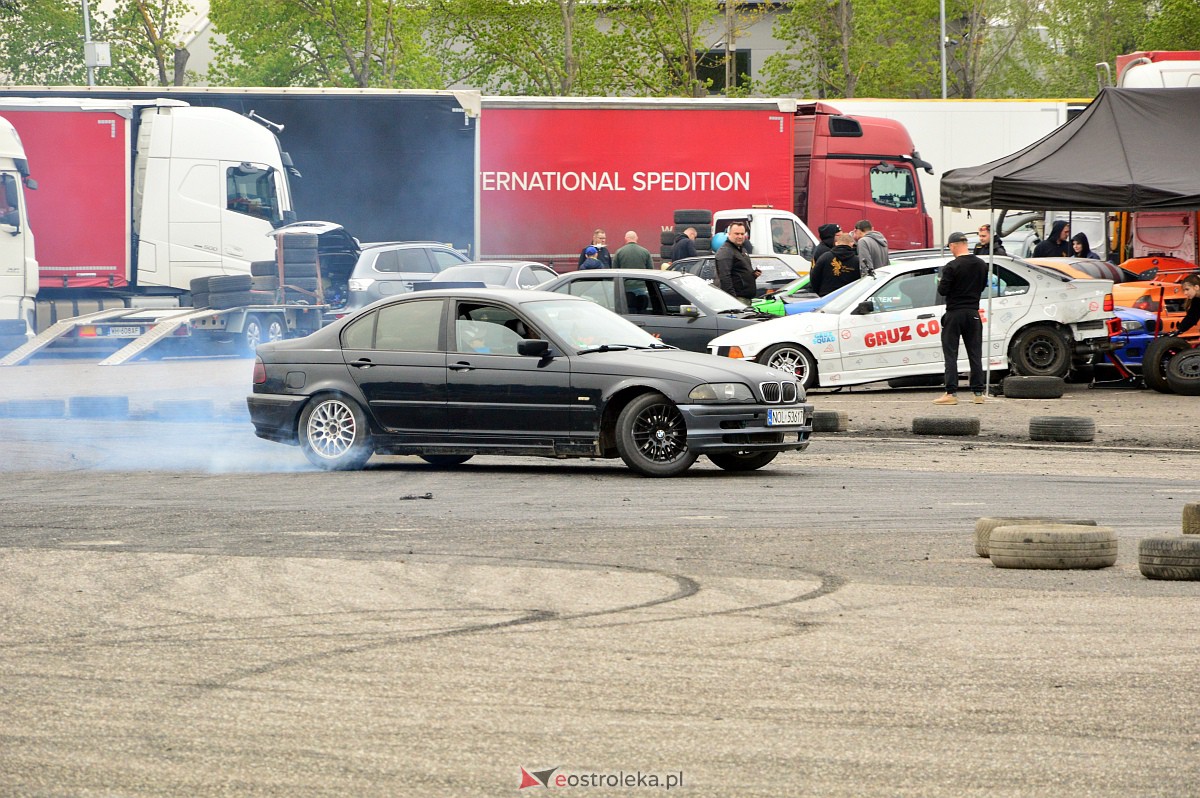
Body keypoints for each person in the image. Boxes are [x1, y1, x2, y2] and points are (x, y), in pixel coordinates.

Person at [933, 232, 989, 405]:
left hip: (954, 313)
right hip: (973, 312)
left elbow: (942, 291)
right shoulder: (981, 264)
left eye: (949, 247)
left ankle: (951, 393)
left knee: (951, 353)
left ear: (953, 245)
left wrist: (941, 281)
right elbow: (982, 286)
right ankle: (978, 393)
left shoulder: (951, 266)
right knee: (975, 353)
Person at [715, 221, 758, 300]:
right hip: (737, 299)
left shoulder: (742, 250)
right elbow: (725, 278)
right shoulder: (726, 251)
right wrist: (733, 300)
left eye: (742, 234)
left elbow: (739, 274)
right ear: (729, 234)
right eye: (737, 234)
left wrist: (753, 275)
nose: (740, 236)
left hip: (746, 298)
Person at [809, 232, 861, 296]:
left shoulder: (825, 257)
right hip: (848, 298)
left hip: (827, 296)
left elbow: (814, 277)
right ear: (852, 244)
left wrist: (820, 291)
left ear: (836, 243)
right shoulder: (857, 261)